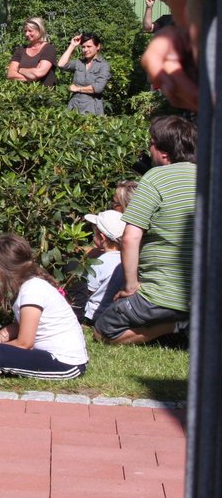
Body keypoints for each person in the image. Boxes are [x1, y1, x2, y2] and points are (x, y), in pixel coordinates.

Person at [95, 115, 196, 346]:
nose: (148, 149)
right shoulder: (211, 177)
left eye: (151, 143)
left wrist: (131, 286)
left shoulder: (155, 177)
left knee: (103, 332)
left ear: (164, 152)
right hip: (205, 293)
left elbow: (130, 237)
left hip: (161, 294)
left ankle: (178, 324)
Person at [0, 233, 88, 380]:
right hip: (47, 355)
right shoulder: (27, 285)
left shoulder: (32, 290)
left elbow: (25, 343)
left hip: (66, 364)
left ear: (0, 267)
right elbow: (18, 326)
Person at [56, 33, 112, 115]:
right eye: (83, 47)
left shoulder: (103, 65)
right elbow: (61, 65)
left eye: (89, 46)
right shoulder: (79, 63)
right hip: (74, 106)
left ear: (98, 46)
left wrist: (77, 89)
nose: (85, 50)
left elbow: (98, 88)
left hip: (92, 107)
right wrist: (72, 45)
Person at [5, 17, 57, 87]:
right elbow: (10, 74)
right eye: (25, 31)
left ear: (40, 30)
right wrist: (33, 77)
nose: (26, 34)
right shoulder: (21, 50)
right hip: (21, 93)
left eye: (30, 31)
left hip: (44, 94)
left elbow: (39, 73)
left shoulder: (49, 49)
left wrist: (19, 69)